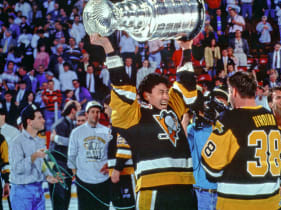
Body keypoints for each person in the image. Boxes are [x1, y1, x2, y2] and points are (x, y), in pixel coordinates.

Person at [90, 34, 197, 209]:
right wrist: (108, 48)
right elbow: (122, 86)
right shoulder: (134, 114)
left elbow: (186, 84)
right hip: (153, 187)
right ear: (146, 95)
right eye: (161, 92)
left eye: (166, 92)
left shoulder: (173, 108)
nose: (165, 96)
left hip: (184, 187)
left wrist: (186, 49)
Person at [201, 72, 281, 210]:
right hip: (271, 200)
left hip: (238, 203)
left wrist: (219, 122)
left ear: (233, 91)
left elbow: (211, 169)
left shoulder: (229, 118)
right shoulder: (269, 116)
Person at [9, 105, 60, 209]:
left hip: (39, 191)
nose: (44, 120)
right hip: (21, 192)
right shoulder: (16, 142)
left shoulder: (40, 141)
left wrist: (48, 177)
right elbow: (17, 169)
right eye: (39, 118)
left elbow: (41, 166)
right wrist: (33, 156)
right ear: (29, 122)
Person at [187, 86, 229, 210]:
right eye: (215, 101)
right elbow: (183, 151)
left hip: (223, 192)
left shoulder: (230, 130)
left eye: (221, 103)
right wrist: (187, 116)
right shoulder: (194, 129)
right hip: (201, 193)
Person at [67, 100, 112, 210]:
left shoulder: (107, 131)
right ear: (87, 114)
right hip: (84, 180)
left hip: (103, 180)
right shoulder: (76, 132)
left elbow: (112, 154)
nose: (95, 114)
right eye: (92, 112)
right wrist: (75, 173)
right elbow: (71, 155)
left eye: (98, 112)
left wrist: (110, 165)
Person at [48, 100, 80, 210]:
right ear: (73, 110)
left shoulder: (70, 124)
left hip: (65, 168)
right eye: (78, 109)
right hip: (58, 167)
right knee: (60, 201)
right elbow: (56, 149)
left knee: (66, 199)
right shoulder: (60, 124)